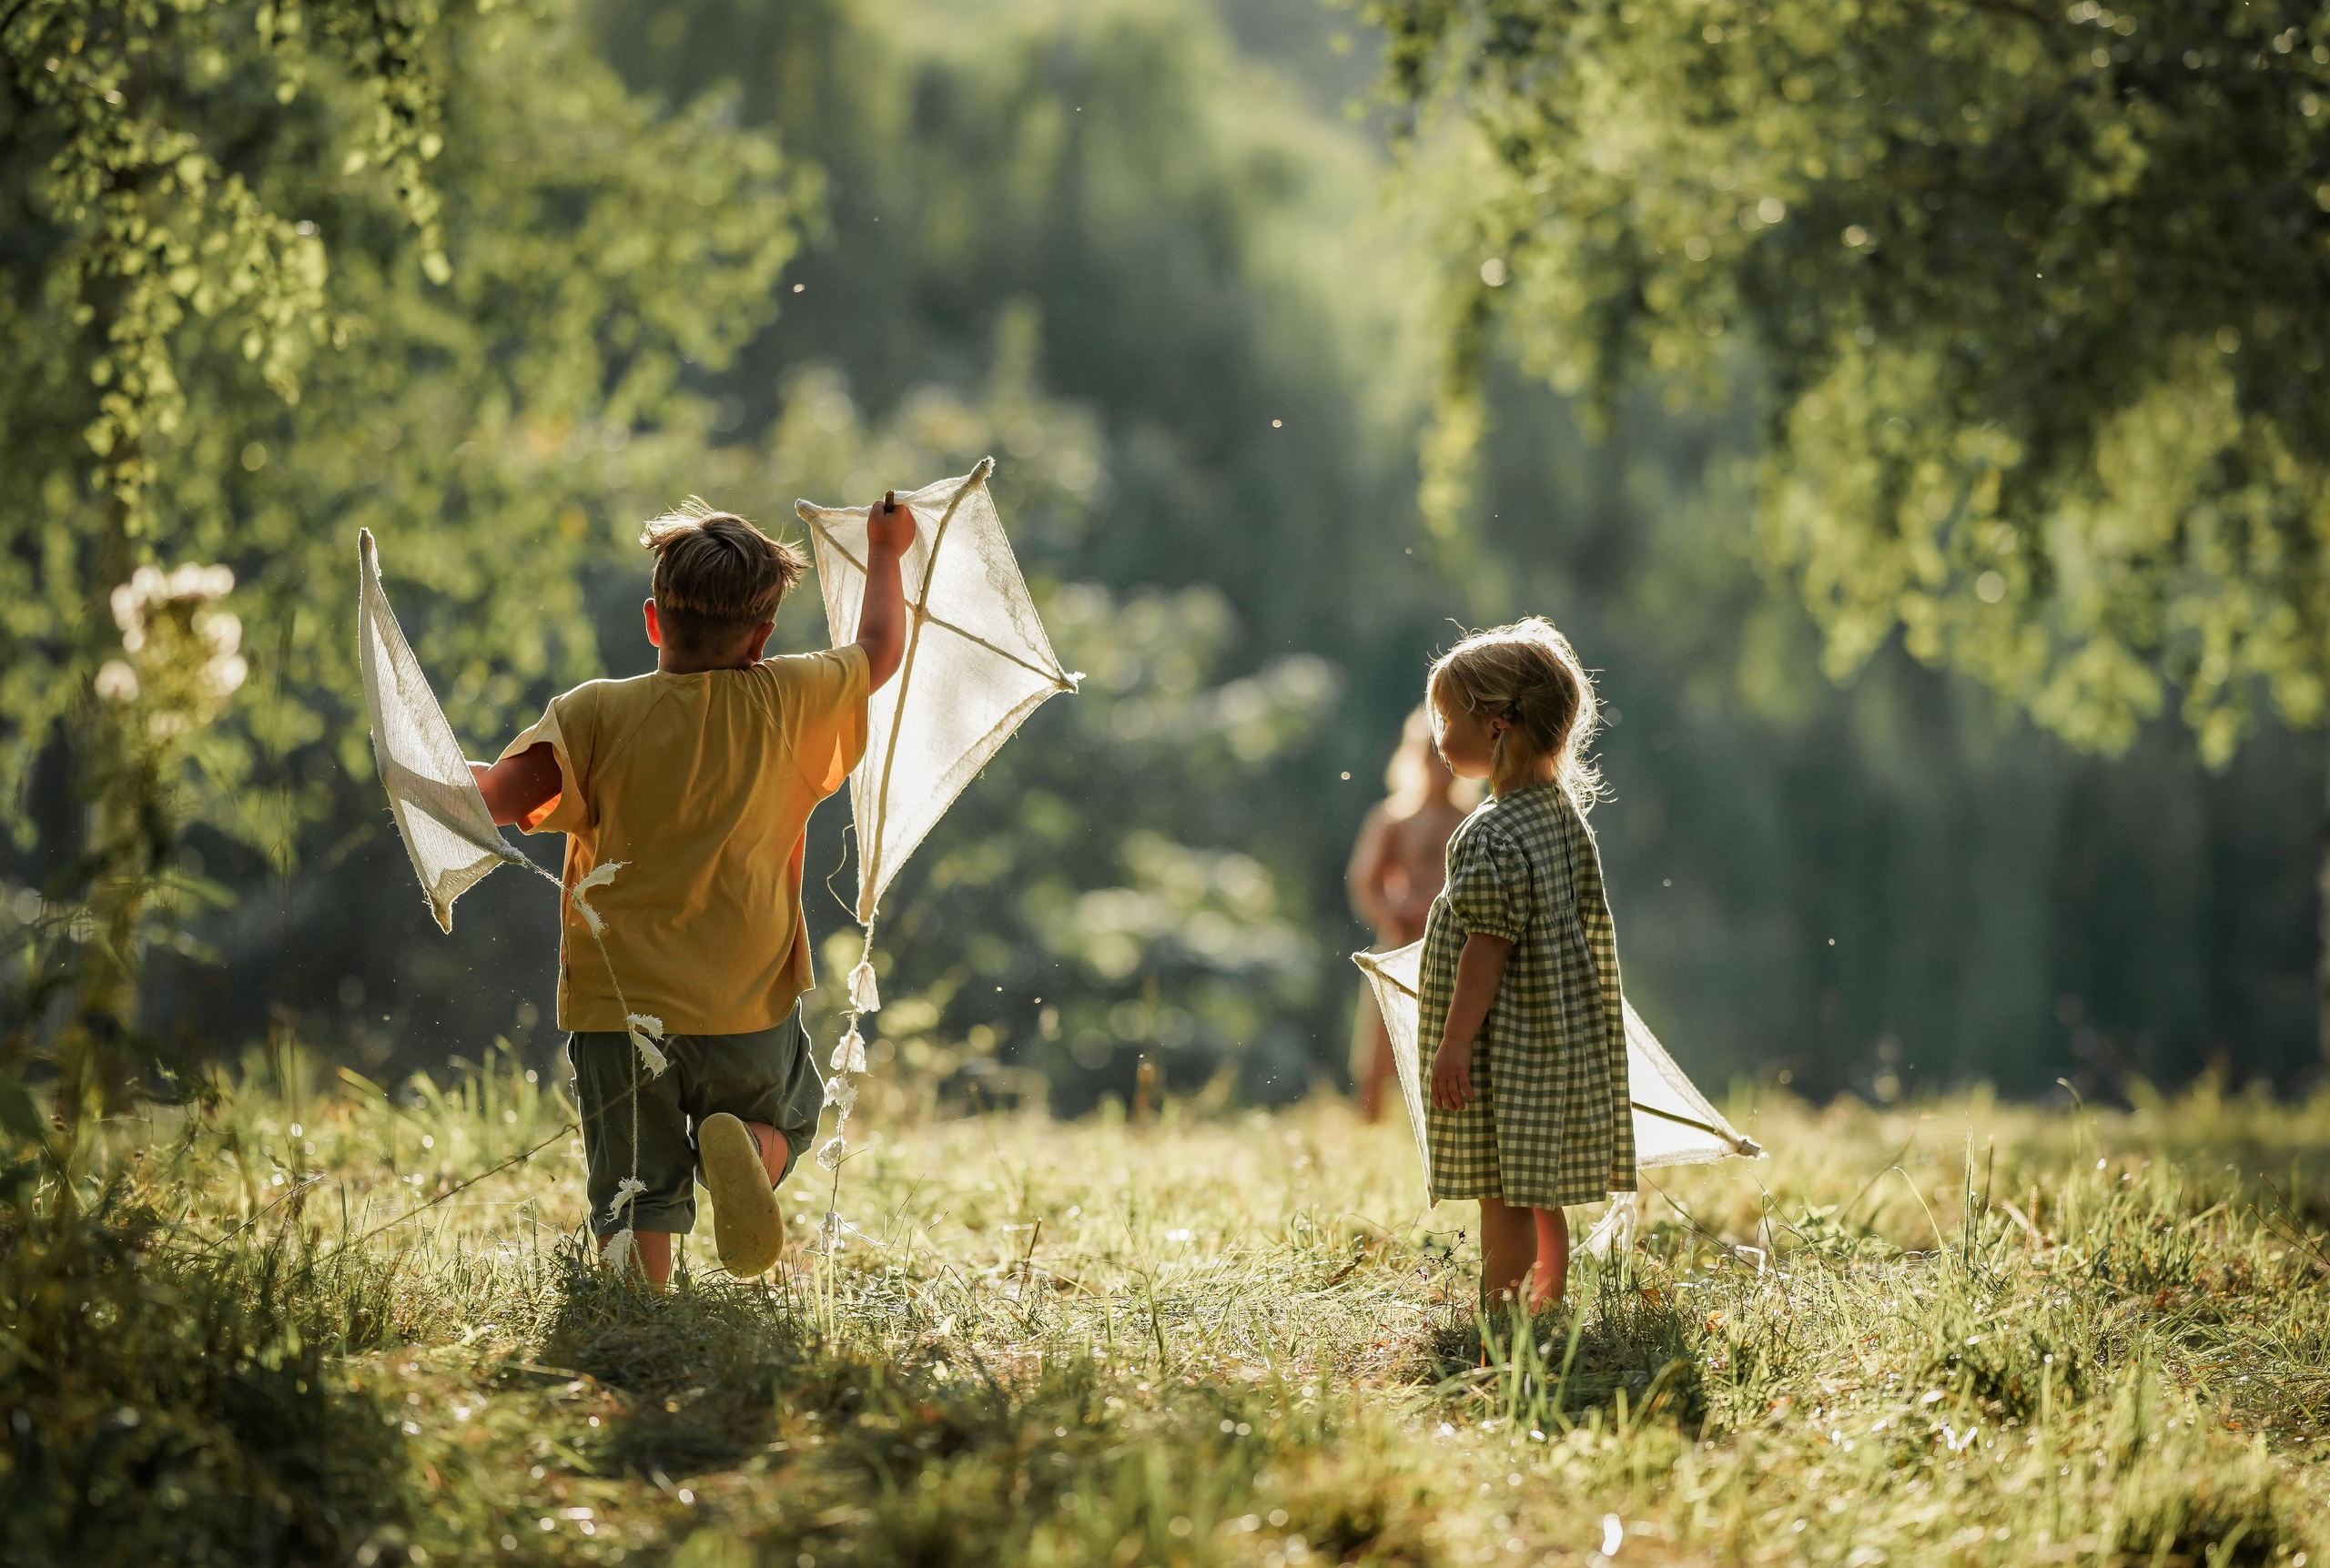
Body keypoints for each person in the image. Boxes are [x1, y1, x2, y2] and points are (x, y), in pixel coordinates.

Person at [468, 492, 915, 1288]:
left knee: (632, 1177)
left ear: (651, 620)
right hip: (743, 998)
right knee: (787, 1114)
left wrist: (430, 772)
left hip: (619, 1003)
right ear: (762, 636)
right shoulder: (789, 696)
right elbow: (879, 650)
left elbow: (498, 799)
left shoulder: (595, 712)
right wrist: (887, 549)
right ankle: (749, 1142)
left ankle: (644, 1292)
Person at [1419, 618, 1632, 1313]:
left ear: (1498, 724)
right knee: (1535, 1183)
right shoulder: (1559, 813)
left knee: (1502, 1191)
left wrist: (1455, 1042)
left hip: (1502, 1042)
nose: (1439, 735)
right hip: (1554, 1033)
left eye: (1449, 718)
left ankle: (1505, 1317)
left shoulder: (1490, 832)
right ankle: (1547, 1307)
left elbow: (1488, 945)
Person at [1346, 706, 1474, 1122]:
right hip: (1401, 948)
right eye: (1434, 756)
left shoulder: (1471, 822)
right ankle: (1368, 1130)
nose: (1442, 768)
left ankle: (1451, 1132)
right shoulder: (1395, 819)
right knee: (1379, 1050)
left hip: (1456, 954)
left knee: (1454, 1046)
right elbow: (1365, 882)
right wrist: (1394, 910)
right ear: (1417, 758)